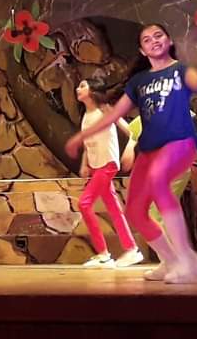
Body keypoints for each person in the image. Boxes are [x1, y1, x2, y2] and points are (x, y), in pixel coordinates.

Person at [66, 23, 197, 284]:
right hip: (150, 149)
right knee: (135, 211)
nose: (154, 41)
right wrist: (80, 137)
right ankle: (170, 260)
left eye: (158, 36)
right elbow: (115, 115)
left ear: (169, 41)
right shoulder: (139, 82)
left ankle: (186, 259)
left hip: (179, 141)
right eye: (147, 39)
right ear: (142, 50)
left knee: (158, 179)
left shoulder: (181, 70)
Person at [74, 80, 143, 269]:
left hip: (108, 164)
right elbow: (88, 143)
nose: (78, 89)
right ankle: (131, 249)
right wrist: (84, 164)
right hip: (96, 166)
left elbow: (130, 131)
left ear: (93, 90)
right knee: (113, 208)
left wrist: (130, 147)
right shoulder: (86, 116)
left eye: (82, 85)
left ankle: (104, 254)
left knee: (84, 204)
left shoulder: (105, 110)